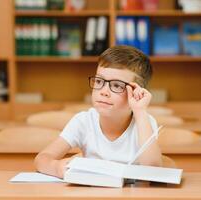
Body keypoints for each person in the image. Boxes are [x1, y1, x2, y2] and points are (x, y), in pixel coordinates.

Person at [34, 45, 162, 178]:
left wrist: (140, 112)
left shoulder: (144, 122)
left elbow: (153, 169)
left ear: (136, 92)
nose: (104, 92)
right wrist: (56, 168)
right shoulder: (83, 121)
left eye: (116, 85)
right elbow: (42, 159)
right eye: (99, 81)